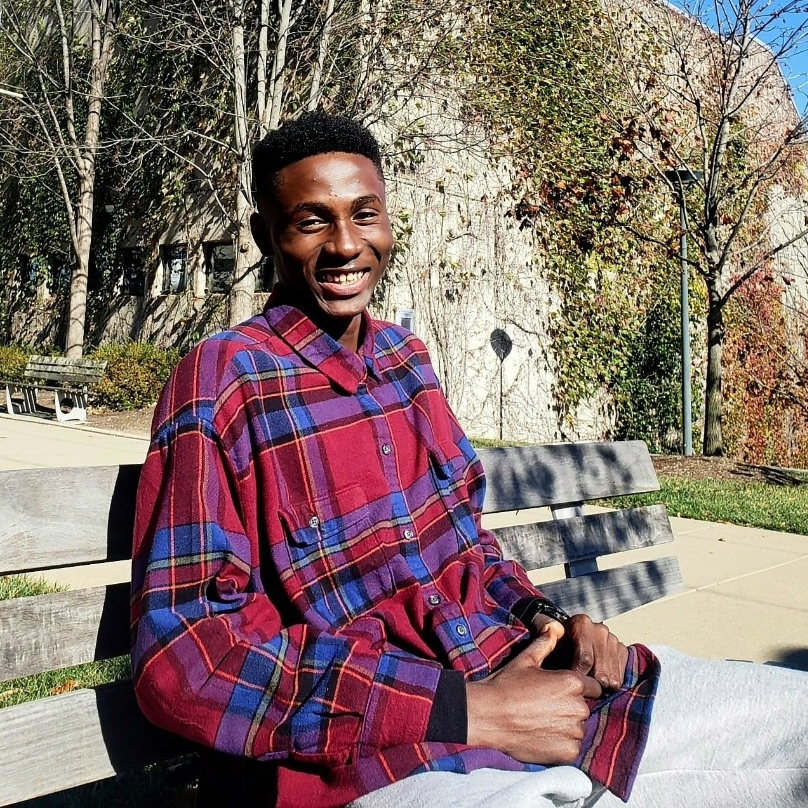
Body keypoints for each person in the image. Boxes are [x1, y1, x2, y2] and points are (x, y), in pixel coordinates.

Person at [131, 112, 808, 808]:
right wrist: (471, 712)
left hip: (537, 687)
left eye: (365, 215)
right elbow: (187, 656)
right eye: (311, 221)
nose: (345, 245)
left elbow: (467, 550)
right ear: (263, 234)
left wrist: (549, 620)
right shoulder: (224, 380)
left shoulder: (406, 361)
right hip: (388, 758)